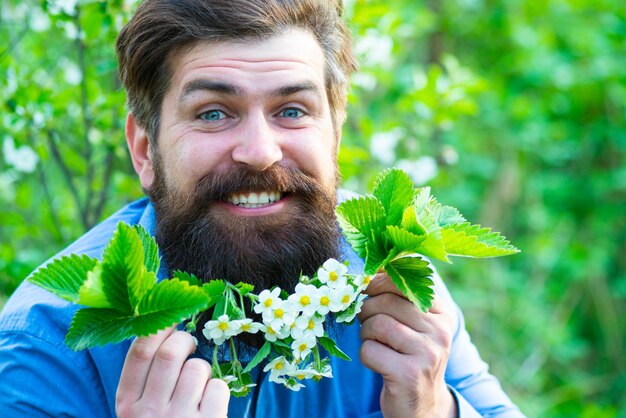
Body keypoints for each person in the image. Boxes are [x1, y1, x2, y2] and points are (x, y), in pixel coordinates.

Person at [0, 1, 525, 417]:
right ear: (145, 150)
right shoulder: (46, 341)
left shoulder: (390, 284)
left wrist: (434, 411)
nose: (260, 150)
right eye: (212, 113)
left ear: (336, 135)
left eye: (292, 110)